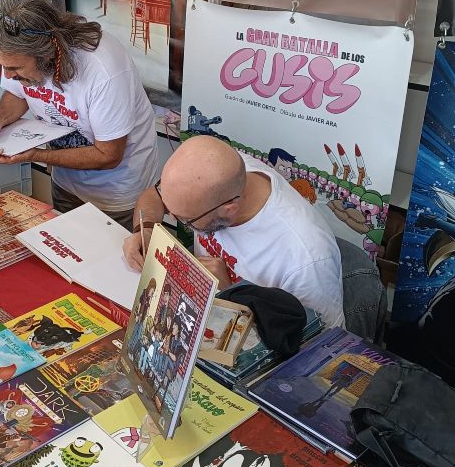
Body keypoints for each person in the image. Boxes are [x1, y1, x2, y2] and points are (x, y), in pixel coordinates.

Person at [0, 0, 158, 230]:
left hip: (117, 195)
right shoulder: (22, 55)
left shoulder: (103, 70)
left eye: (14, 68)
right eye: (2, 66)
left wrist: (34, 155)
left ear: (46, 53)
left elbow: (108, 155)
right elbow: (17, 95)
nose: (7, 75)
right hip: (66, 183)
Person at [123, 136, 344, 329]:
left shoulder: (306, 258)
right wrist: (147, 230)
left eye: (184, 219)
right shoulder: (212, 170)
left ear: (229, 209)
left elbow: (318, 348)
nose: (171, 218)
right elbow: (152, 197)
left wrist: (230, 294)